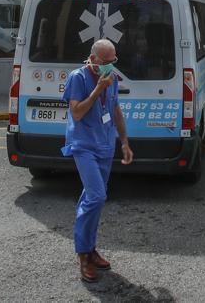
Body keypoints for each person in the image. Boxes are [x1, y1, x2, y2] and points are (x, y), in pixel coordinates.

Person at [62, 38, 133, 284]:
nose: (110, 66)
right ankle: (83, 254)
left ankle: (90, 248)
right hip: (83, 145)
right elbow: (78, 112)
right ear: (92, 59)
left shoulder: (111, 78)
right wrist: (97, 90)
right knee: (96, 196)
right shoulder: (78, 78)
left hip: (105, 145)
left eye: (113, 61)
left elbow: (115, 110)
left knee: (94, 198)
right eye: (105, 62)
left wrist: (124, 141)